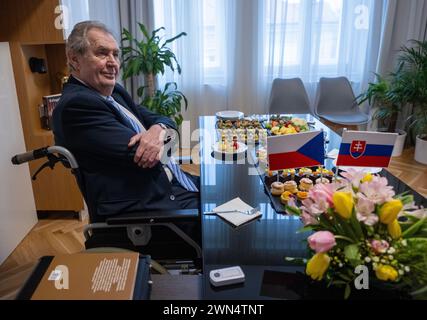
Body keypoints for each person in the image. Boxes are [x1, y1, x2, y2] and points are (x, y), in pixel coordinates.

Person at [52, 21, 200, 225]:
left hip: (170, 185)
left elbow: (166, 122)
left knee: (235, 195)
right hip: (147, 208)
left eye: (115, 54)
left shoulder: (115, 92)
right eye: (102, 53)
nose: (113, 63)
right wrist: (162, 139)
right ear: (74, 60)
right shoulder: (76, 106)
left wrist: (158, 129)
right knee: (231, 219)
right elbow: (150, 155)